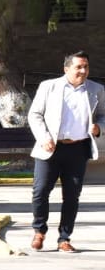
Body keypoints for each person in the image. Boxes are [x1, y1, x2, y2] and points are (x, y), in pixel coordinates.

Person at [27, 50, 104, 253]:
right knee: (41, 190)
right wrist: (44, 138)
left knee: (72, 195)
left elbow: (103, 115)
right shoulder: (49, 87)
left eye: (86, 66)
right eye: (78, 66)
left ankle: (64, 237)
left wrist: (99, 128)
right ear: (66, 68)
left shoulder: (96, 90)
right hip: (51, 148)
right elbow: (34, 115)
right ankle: (39, 230)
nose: (83, 70)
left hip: (78, 149)